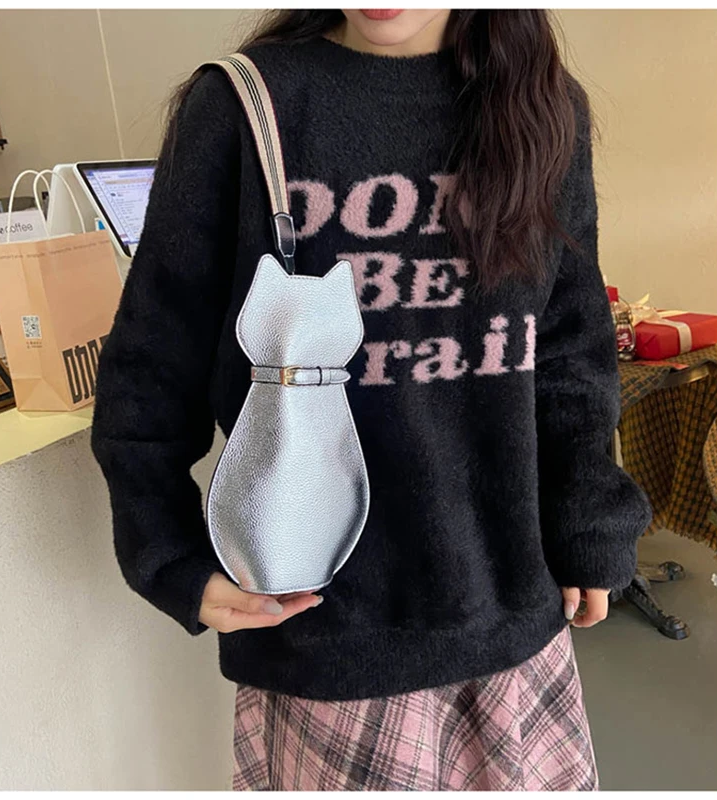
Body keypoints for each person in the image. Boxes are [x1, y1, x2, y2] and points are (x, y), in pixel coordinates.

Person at [90, 8, 652, 791]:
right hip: (329, 630)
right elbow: (155, 352)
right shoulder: (247, 103)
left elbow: (567, 344)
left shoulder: (543, 105)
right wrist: (167, 553)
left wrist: (588, 522)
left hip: (511, 613)